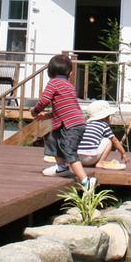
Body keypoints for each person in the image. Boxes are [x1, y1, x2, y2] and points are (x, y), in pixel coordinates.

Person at [32, 54, 96, 191]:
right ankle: (61, 167)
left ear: (49, 72)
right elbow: (65, 108)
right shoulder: (69, 86)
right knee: (52, 138)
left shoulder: (53, 83)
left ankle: (86, 181)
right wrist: (47, 116)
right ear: (71, 73)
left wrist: (35, 111)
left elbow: (44, 101)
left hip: (71, 125)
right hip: (75, 122)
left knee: (69, 151)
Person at [77, 100, 129, 169]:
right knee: (108, 141)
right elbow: (115, 141)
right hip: (91, 158)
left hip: (78, 159)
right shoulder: (103, 125)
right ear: (106, 117)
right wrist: (123, 153)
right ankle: (100, 162)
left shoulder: (85, 124)